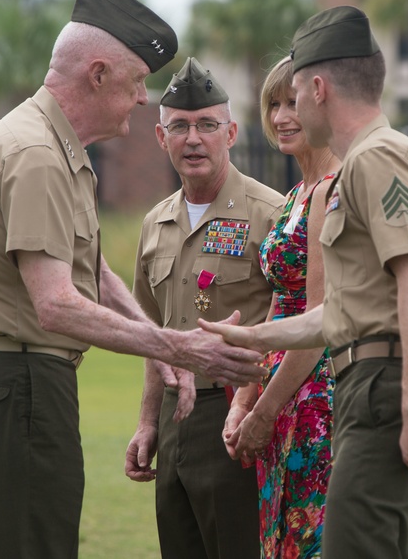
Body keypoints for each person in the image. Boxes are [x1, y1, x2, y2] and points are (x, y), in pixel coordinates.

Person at [0, 0, 266, 559]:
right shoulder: (36, 155)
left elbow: (100, 277)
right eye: (137, 81)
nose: (143, 100)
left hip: (10, 385)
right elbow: (56, 304)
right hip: (16, 386)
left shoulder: (58, 150)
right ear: (96, 75)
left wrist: (165, 351)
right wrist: (180, 348)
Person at [201, 6, 408, 558]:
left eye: (293, 93)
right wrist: (254, 339)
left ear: (318, 88)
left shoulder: (378, 157)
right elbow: (339, 312)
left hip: (385, 386)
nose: (285, 110)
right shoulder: (361, 162)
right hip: (372, 382)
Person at [124, 57, 285, 559]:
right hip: (175, 418)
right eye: (180, 127)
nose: (193, 139)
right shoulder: (156, 224)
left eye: (207, 125)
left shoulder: (271, 215)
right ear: (160, 137)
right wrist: (149, 421)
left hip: (239, 414)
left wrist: (253, 409)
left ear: (231, 132)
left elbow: (290, 321)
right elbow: (154, 332)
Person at [223, 55, 338, 558]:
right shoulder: (294, 197)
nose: (282, 116)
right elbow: (276, 309)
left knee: (309, 540)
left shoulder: (332, 191)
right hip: (277, 389)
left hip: (314, 396)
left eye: (293, 102)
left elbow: (316, 323)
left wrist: (263, 412)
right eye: (274, 104)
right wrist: (245, 401)